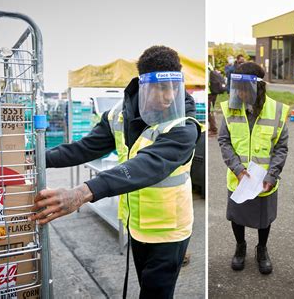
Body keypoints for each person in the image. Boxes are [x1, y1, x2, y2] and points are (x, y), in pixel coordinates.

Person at [30, 46, 202, 298]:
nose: (169, 96)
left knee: (156, 293)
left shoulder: (184, 125)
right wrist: (35, 159)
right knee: (146, 286)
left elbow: (147, 164)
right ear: (143, 84)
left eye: (174, 87)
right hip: (136, 224)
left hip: (169, 229)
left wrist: (83, 192)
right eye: (161, 88)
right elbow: (85, 148)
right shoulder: (119, 115)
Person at [218, 62, 289, 274]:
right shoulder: (230, 107)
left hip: (265, 181)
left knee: (263, 219)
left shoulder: (277, 110)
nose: (240, 92)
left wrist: (272, 175)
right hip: (238, 178)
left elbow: (281, 147)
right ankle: (240, 247)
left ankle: (262, 249)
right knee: (237, 216)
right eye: (237, 87)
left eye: (244, 88)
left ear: (258, 87)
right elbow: (224, 140)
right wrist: (237, 169)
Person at [208, 63, 226, 137]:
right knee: (210, 110)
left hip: (209, 92)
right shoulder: (210, 67)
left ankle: (213, 129)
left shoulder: (207, 68)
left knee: (208, 111)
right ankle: (212, 128)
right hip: (213, 92)